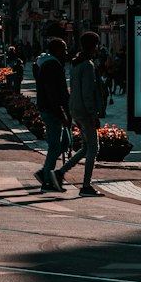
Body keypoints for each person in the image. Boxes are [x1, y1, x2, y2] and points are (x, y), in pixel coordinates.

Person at [53, 31, 105, 196]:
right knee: (93, 149)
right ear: (93, 46)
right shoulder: (87, 65)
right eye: (96, 45)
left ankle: (60, 173)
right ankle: (86, 186)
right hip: (84, 111)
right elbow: (87, 93)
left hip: (75, 108)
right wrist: (93, 114)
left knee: (85, 147)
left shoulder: (75, 63)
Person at [33, 35, 71, 192]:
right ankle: (47, 181)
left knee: (63, 143)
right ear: (57, 50)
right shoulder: (52, 67)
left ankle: (45, 172)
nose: (66, 52)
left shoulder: (51, 65)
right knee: (55, 146)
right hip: (51, 111)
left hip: (50, 109)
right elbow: (54, 94)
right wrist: (62, 114)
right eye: (64, 49)